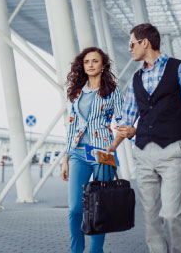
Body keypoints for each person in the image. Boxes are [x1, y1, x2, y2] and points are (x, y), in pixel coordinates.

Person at [109, 23, 181, 253]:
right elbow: (127, 120)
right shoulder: (135, 79)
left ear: (145, 43)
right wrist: (112, 146)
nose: (129, 49)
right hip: (142, 153)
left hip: (172, 150)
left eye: (132, 44)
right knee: (151, 216)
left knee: (172, 214)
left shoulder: (180, 69)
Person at [61, 47, 123, 253]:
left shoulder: (112, 92)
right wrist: (66, 158)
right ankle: (76, 250)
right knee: (75, 209)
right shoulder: (77, 92)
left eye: (95, 61)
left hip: (103, 153)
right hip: (79, 152)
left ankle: (96, 251)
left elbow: (123, 122)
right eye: (87, 62)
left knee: (99, 207)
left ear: (103, 65)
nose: (90, 65)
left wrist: (114, 145)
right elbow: (72, 126)